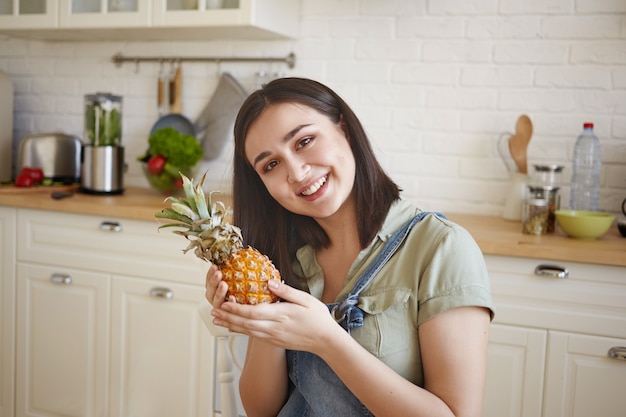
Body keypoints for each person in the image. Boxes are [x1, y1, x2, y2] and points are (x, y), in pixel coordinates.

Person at [206, 77, 494, 417]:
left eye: (304, 141)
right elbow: (261, 411)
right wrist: (264, 320)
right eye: (271, 165)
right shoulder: (283, 259)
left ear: (343, 127)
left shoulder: (442, 248)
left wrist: (328, 341)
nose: (296, 173)